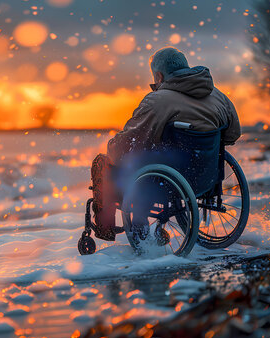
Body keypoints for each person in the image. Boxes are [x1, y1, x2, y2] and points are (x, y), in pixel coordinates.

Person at [91, 47, 241, 241]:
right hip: (206, 179)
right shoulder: (218, 96)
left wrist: (112, 146)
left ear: (159, 76)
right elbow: (232, 135)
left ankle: (107, 230)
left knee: (104, 162)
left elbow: (129, 143)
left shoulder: (158, 100)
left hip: (167, 183)